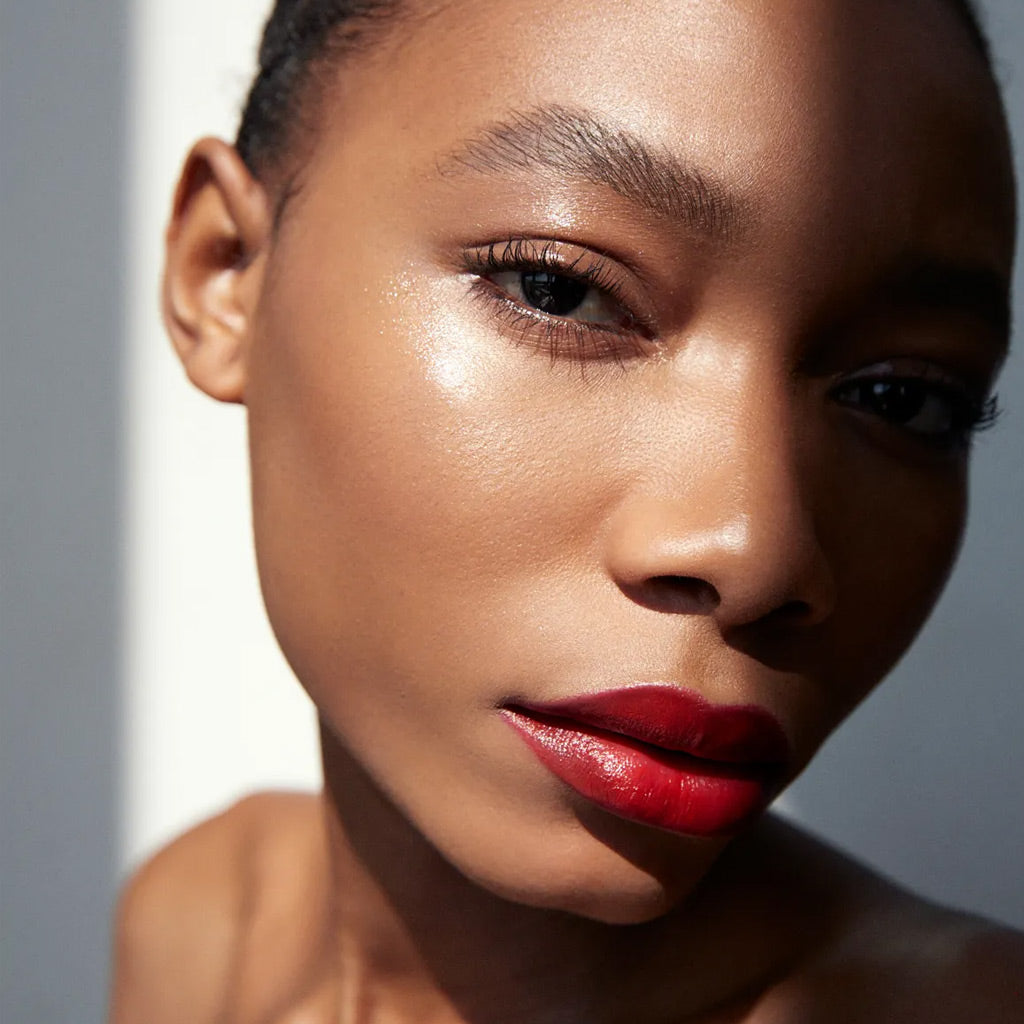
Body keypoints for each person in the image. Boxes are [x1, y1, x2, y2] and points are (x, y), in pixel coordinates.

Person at [108, 0, 1024, 1020]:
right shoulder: (202, 929)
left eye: (902, 398)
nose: (758, 548)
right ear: (226, 270)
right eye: (558, 290)